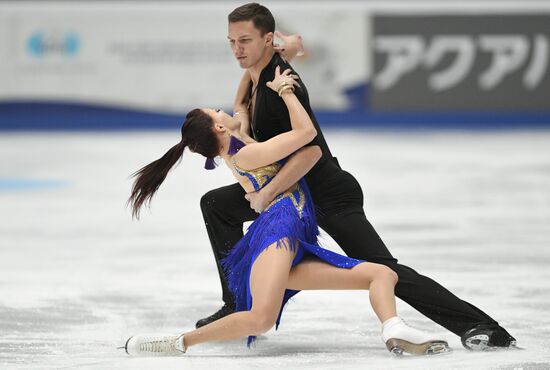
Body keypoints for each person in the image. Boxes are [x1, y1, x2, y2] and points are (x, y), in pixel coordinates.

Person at [196, 3, 517, 351]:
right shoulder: (260, 73)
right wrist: (283, 49)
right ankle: (235, 303)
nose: (237, 50)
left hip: (326, 193)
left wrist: (266, 193)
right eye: (231, 41)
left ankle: (483, 326)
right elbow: (280, 57)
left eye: (244, 41)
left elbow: (310, 153)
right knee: (216, 205)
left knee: (384, 269)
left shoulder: (281, 89)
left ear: (266, 38)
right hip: (295, 193)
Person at [125, 66, 449, 356]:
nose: (222, 109)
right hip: (279, 229)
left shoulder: (238, 142)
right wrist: (285, 91)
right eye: (215, 111)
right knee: (260, 319)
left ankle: (394, 329)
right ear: (219, 128)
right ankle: (177, 343)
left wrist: (263, 64)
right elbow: (307, 136)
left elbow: (240, 103)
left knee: (382, 273)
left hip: (292, 231)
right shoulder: (248, 155)